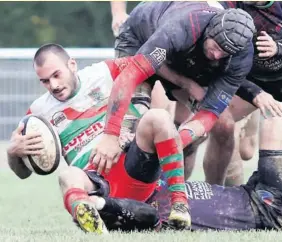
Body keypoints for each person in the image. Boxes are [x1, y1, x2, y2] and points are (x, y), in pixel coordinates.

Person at [6, 44, 191, 234]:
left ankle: (179, 205)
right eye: (45, 81)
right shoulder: (38, 114)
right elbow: (23, 173)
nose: (53, 85)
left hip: (132, 165)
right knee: (67, 175)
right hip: (94, 182)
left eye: (56, 75)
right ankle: (92, 218)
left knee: (158, 117)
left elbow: (151, 66)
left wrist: (191, 91)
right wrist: (13, 152)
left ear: (72, 65)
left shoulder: (104, 72)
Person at [92, 1, 261, 182]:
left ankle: (206, 190)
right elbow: (128, 77)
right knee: (131, 122)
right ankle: (105, 186)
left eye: (225, 53)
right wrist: (110, 135)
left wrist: (178, 141)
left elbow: (210, 112)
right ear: (209, 32)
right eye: (217, 48)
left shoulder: (240, 56)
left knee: (222, 123)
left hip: (183, 57)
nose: (218, 55)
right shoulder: (182, 27)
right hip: (140, 39)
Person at [83, 107, 282, 232]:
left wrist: (125, 143)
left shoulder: (158, 178)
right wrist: (100, 203)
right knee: (279, 124)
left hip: (249, 192)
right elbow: (138, 213)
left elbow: (174, 144)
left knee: (276, 122)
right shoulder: (152, 213)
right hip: (272, 211)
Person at [214, 0, 282, 186]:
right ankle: (225, 196)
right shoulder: (228, 5)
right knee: (221, 123)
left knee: (248, 151)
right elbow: (220, 66)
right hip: (251, 80)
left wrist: (280, 48)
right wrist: (253, 92)